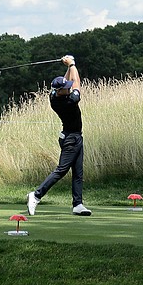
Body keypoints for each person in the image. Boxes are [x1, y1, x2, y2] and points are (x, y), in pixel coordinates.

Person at [27, 55, 92, 216]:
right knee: (61, 170)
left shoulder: (54, 96)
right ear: (61, 91)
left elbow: (66, 81)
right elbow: (76, 82)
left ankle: (78, 204)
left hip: (73, 137)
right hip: (71, 139)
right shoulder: (70, 100)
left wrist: (67, 66)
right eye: (66, 88)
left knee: (78, 172)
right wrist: (72, 64)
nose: (69, 88)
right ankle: (36, 195)